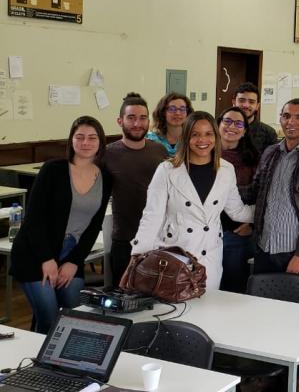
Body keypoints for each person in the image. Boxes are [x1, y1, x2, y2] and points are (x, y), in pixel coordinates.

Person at [11, 116, 113, 334]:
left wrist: (74, 262)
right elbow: (33, 219)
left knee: (74, 316)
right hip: (36, 252)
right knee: (49, 319)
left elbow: (94, 225)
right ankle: (40, 355)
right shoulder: (53, 169)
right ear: (71, 140)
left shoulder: (105, 177)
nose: (85, 142)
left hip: (71, 252)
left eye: (92, 138)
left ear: (101, 142)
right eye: (80, 137)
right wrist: (46, 259)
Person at [132, 111, 253, 291]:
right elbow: (152, 217)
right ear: (186, 137)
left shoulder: (226, 170)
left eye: (208, 134)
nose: (202, 140)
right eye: (195, 134)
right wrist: (138, 257)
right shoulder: (167, 170)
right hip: (175, 255)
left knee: (208, 305)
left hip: (210, 257)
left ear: (215, 136)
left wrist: (267, 213)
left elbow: (236, 211)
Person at [245, 99, 299, 276]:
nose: (291, 122)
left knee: (292, 296)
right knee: (260, 294)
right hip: (263, 246)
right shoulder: (270, 152)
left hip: (293, 253)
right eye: (286, 116)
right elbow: (255, 191)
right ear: (280, 119)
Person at [103, 93, 168, 286]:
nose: (137, 124)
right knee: (124, 295)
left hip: (160, 238)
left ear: (149, 121)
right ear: (120, 121)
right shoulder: (107, 154)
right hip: (125, 240)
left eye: (142, 118)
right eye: (131, 118)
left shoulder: (159, 151)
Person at [216, 106, 260, 293]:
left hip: (237, 234)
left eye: (238, 123)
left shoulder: (254, 159)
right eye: (227, 121)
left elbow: (263, 195)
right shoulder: (204, 153)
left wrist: (252, 224)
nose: (232, 126)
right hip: (205, 234)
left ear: (244, 131)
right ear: (218, 125)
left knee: (233, 290)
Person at [232, 82, 277, 153]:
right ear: (234, 102)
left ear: (257, 106)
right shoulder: (223, 128)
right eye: (241, 100)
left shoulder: (269, 133)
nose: (246, 105)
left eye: (251, 102)